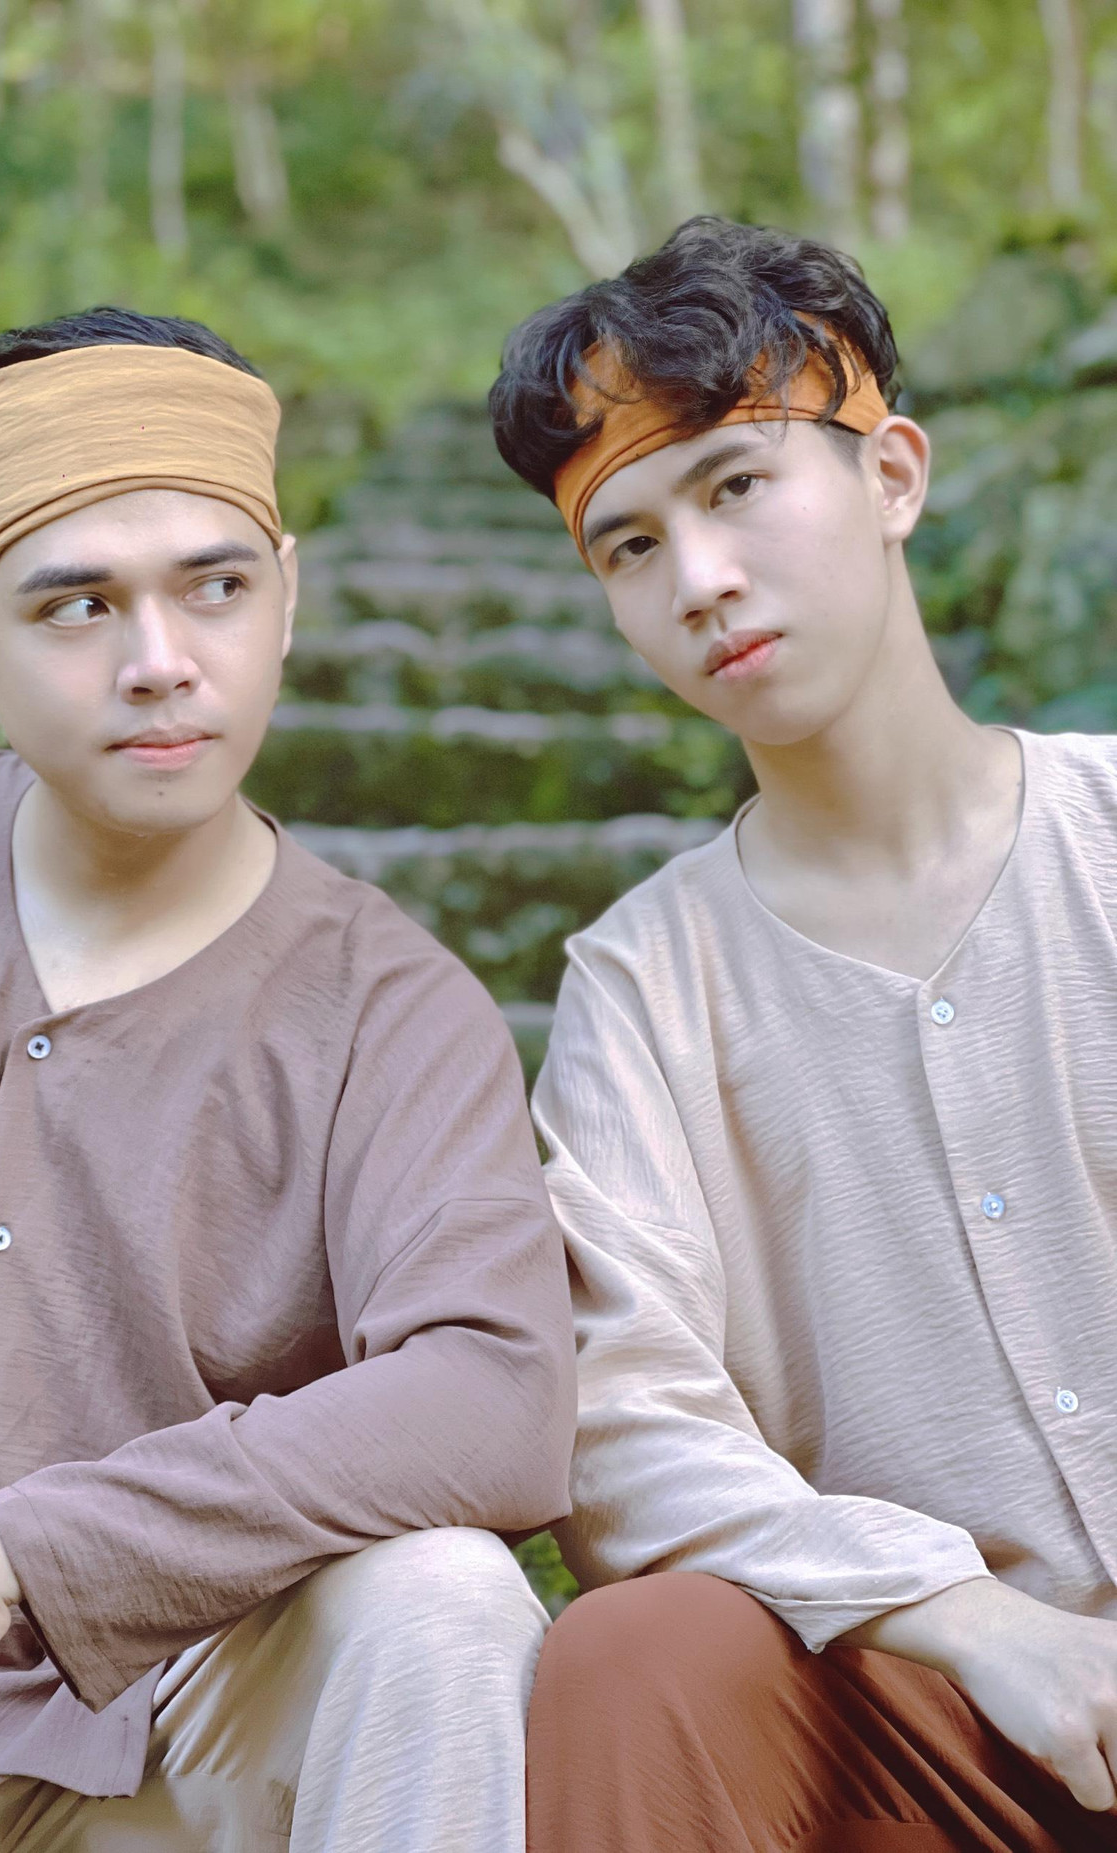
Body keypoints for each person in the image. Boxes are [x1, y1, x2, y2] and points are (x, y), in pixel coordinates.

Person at [0, 307, 576, 1853]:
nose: (162, 663)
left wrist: (7, 1552)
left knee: (444, 1603)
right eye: (78, 605)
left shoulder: (388, 1009)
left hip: (146, 1747)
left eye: (215, 586)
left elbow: (497, 1392)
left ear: (287, 596)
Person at [489, 216, 1117, 1851]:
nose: (697, 579)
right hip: (941, 1734)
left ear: (890, 475)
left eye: (736, 486)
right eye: (628, 545)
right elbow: (622, 1422)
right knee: (635, 1652)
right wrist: (967, 1616)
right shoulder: (643, 987)